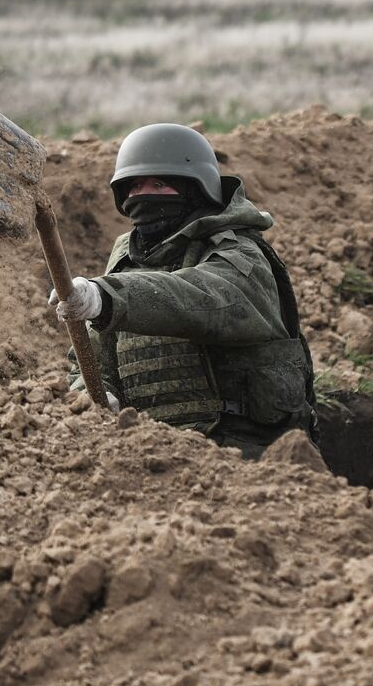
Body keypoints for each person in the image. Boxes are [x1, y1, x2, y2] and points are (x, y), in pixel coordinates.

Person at [49, 123, 315, 458]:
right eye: (134, 186)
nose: (142, 195)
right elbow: (92, 355)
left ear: (197, 190)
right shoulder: (125, 263)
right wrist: (92, 389)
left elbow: (201, 297)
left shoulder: (242, 256)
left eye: (159, 184)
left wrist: (104, 295)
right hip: (155, 459)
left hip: (247, 456)